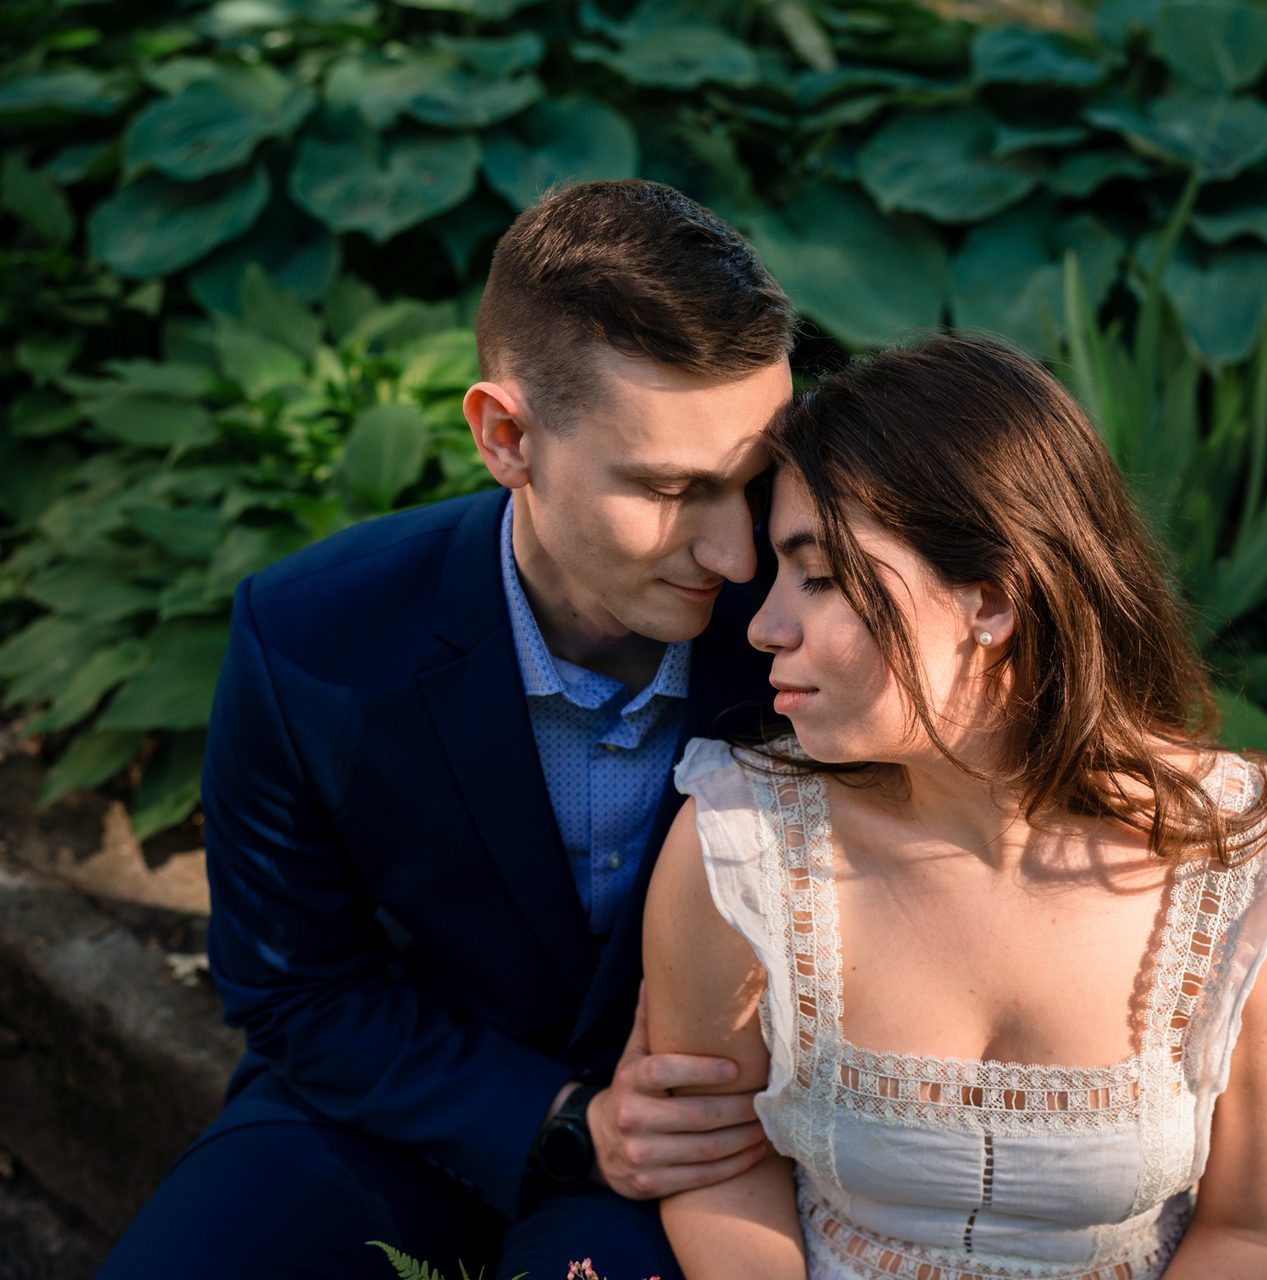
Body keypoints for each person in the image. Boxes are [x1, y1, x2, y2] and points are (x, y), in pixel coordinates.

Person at [99, 180, 795, 1280]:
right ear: (505, 435)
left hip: (707, 1166)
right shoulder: (311, 638)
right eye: (671, 489)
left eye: (751, 483)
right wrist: (561, 1115)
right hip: (382, 1116)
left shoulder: (807, 633)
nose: (738, 556)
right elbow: (296, 988)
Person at [643, 333, 1267, 1279]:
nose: (763, 625)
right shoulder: (739, 843)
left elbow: (1258, 1233)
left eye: (820, 577)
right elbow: (715, 1166)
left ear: (991, 600)